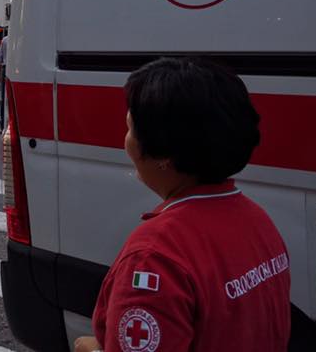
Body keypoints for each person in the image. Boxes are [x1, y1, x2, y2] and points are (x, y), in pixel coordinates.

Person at [74, 58, 290, 352]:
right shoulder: (257, 220)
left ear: (163, 156)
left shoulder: (154, 256)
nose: (125, 141)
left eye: (130, 128)